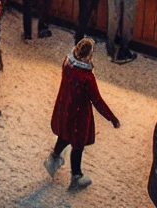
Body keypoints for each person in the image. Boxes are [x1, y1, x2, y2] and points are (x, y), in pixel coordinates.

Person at [46, 37, 120, 191]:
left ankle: (53, 158)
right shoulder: (87, 77)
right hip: (79, 115)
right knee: (77, 145)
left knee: (65, 135)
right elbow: (97, 100)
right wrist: (112, 118)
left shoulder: (67, 63)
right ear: (89, 55)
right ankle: (76, 176)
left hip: (66, 106)